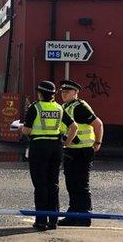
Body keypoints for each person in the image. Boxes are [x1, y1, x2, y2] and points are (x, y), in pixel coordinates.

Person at [20, 80, 78, 231]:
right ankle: (53, 220)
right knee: (53, 183)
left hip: (39, 147)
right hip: (56, 147)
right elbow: (74, 126)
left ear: (39, 93)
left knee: (40, 184)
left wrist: (21, 127)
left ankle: (40, 221)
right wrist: (67, 143)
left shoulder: (35, 107)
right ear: (53, 94)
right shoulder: (59, 108)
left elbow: (26, 130)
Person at [58, 79, 104, 227]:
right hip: (71, 150)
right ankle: (73, 214)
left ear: (75, 93)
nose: (64, 94)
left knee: (81, 185)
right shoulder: (67, 106)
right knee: (72, 184)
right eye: (63, 92)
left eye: (67, 92)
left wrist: (97, 143)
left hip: (82, 151)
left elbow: (98, 124)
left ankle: (84, 216)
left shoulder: (79, 107)